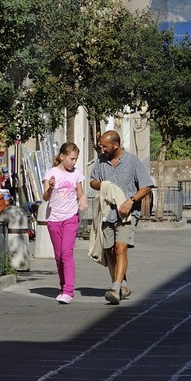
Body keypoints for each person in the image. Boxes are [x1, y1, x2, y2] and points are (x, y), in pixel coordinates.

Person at [89, 129, 154, 305]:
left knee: (120, 249)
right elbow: (92, 180)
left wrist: (131, 201)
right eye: (101, 146)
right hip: (107, 212)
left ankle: (115, 289)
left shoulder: (133, 162)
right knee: (110, 251)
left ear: (115, 145)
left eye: (105, 146)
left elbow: (146, 186)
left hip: (127, 214)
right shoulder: (101, 161)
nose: (102, 149)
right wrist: (104, 185)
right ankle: (124, 285)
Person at [42, 142, 86, 304]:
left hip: (70, 217)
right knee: (59, 256)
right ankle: (63, 287)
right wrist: (51, 187)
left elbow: (80, 192)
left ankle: (68, 291)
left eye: (76, 159)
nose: (74, 162)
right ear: (62, 157)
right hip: (54, 219)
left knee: (67, 253)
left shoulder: (77, 174)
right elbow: (45, 198)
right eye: (71, 159)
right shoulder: (51, 173)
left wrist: (83, 199)